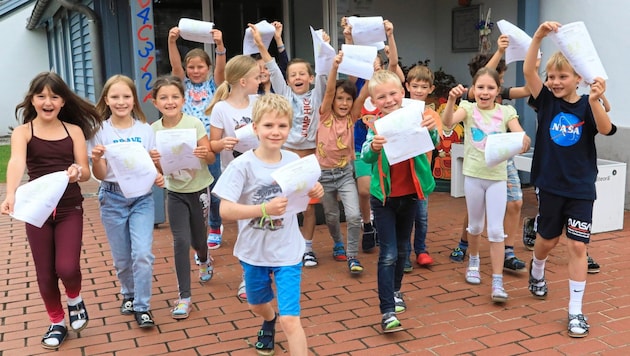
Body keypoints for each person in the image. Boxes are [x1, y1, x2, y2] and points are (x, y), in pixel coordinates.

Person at [212, 93, 324, 356]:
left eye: (282, 126)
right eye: (268, 125)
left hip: (287, 251)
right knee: (257, 304)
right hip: (254, 252)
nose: (276, 132)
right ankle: (268, 319)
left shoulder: (295, 161)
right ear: (255, 127)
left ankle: (279, 321)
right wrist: (263, 209)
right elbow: (224, 209)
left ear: (290, 127)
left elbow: (303, 196)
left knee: (291, 320)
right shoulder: (242, 165)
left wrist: (315, 191)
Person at [523, 21, 615, 337]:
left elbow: (605, 129)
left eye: (563, 76)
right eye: (552, 77)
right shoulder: (546, 101)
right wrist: (537, 37)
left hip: (580, 187)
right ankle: (537, 270)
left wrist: (594, 101)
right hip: (549, 184)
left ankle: (575, 312)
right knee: (547, 241)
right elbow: (527, 74)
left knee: (577, 246)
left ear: (579, 78)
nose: (556, 81)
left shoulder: (589, 105)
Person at [1, 72, 101, 349]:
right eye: (41, 96)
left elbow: (85, 173)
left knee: (67, 267)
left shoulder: (74, 131)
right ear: (32, 100)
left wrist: (77, 171)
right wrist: (10, 195)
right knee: (45, 273)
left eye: (54, 96)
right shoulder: (23, 133)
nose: (48, 101)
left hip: (70, 207)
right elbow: (16, 163)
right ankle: (57, 322)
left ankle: (74, 298)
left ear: (62, 102)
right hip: (37, 211)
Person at [442, 67, 530, 303]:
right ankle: (473, 261)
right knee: (476, 225)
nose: (485, 92)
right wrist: (451, 100)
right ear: (473, 90)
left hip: (497, 178)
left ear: (497, 91)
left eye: (490, 88)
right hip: (473, 176)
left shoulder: (506, 112)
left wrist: (523, 141)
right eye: (480, 87)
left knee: (495, 231)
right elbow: (447, 122)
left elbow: (522, 137)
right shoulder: (468, 108)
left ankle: (498, 281)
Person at [361, 70, 439, 333]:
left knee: (404, 250)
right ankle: (387, 311)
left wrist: (433, 131)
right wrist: (373, 148)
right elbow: (366, 156)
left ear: (402, 93)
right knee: (389, 253)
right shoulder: (377, 127)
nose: (389, 99)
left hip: (411, 197)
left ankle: (395, 291)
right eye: (381, 96)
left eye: (393, 93)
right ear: (374, 101)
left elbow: (432, 143)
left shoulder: (416, 116)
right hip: (383, 200)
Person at [450, 35, 529, 274]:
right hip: (478, 162)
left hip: (503, 160)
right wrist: (499, 50)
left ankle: (508, 251)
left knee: (515, 201)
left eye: (499, 80)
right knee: (476, 211)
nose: (498, 82)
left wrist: (533, 64)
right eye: (497, 75)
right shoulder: (473, 98)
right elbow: (486, 74)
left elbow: (527, 89)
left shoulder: (504, 99)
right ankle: (465, 243)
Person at [90, 75, 164, 328]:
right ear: (106, 100)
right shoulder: (99, 131)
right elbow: (99, 175)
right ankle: (128, 294)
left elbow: (154, 169)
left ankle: (142, 307)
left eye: (126, 96)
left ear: (134, 99)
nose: (121, 102)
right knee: (122, 258)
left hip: (142, 198)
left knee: (142, 253)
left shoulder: (145, 130)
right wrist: (97, 159)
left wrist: (157, 163)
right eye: (115, 97)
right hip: (112, 196)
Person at [251, 23, 327, 267]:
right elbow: (272, 66)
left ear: (311, 77)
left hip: (308, 158)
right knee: (284, 203)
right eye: (293, 74)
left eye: (302, 74)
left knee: (309, 205)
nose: (297, 77)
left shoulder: (316, 94)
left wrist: (324, 47)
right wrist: (262, 43)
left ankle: (307, 248)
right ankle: (284, 244)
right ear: (288, 79)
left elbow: (326, 71)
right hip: (286, 157)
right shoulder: (283, 93)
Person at [149, 75, 216, 320]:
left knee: (199, 239)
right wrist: (154, 163)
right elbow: (156, 171)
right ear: (155, 102)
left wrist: (204, 152)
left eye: (175, 96)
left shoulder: (194, 124)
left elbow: (209, 159)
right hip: (175, 192)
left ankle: (205, 259)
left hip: (199, 189)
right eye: (163, 98)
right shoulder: (153, 131)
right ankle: (184, 297)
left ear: (183, 99)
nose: (170, 101)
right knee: (180, 241)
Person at [341, 17, 405, 253]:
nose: (373, 65)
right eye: (369, 62)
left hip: (389, 145)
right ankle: (368, 224)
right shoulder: (358, 86)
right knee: (364, 190)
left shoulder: (385, 88)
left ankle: (381, 223)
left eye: (376, 61)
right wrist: (348, 38)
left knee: (386, 187)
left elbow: (395, 61)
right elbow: (349, 66)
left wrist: (390, 35)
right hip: (362, 145)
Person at [207, 54, 261, 300]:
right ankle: (246, 278)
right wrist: (223, 143)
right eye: (256, 77)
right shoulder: (221, 108)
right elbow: (212, 144)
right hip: (237, 174)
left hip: (261, 171)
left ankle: (261, 272)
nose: (260, 81)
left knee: (261, 225)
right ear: (242, 81)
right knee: (244, 227)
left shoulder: (259, 102)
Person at [168, 25, 226, 250]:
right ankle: (196, 225)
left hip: (209, 142)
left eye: (200, 66)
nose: (195, 71)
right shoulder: (182, 86)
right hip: (186, 144)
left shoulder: (214, 84)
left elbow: (221, 70)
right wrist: (172, 42)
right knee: (193, 187)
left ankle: (214, 225)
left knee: (214, 188)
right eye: (191, 67)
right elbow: (175, 66)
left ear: (208, 68)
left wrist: (220, 46)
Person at [316, 51, 369, 274]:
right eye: (340, 98)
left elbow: (363, 95)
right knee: (331, 216)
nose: (345, 102)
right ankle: (337, 241)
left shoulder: (351, 117)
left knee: (354, 215)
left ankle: (352, 256)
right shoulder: (325, 114)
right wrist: (335, 67)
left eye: (348, 99)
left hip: (345, 172)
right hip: (324, 174)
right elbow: (329, 91)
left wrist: (372, 71)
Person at [403, 64, 444, 271]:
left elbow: (436, 143)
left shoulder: (432, 115)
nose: (419, 90)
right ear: (407, 86)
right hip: (402, 174)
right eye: (415, 86)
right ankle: (404, 254)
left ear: (431, 89)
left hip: (422, 172)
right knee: (404, 216)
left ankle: (421, 250)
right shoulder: (398, 111)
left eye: (423, 87)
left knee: (421, 214)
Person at [252, 21, 289, 95]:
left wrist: (278, 38)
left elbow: (285, 65)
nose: (262, 71)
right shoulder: (252, 92)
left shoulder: (280, 89)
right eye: (259, 68)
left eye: (266, 68)